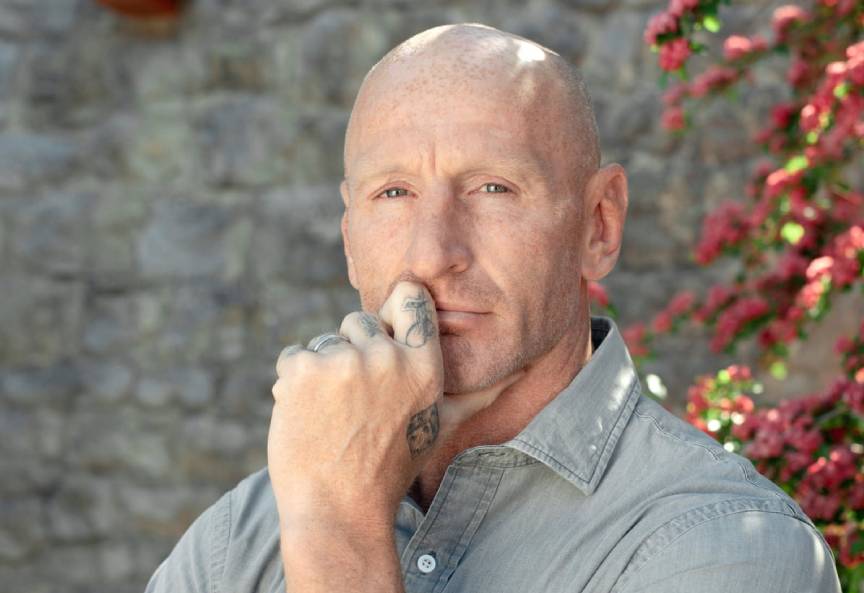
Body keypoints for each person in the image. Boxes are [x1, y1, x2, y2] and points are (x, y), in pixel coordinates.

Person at [145, 23, 841, 593]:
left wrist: (337, 532)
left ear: (598, 226)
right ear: (349, 238)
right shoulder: (238, 535)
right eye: (394, 193)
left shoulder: (727, 545)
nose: (433, 254)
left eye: (492, 188)